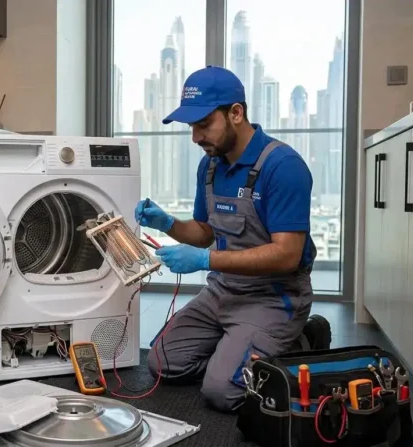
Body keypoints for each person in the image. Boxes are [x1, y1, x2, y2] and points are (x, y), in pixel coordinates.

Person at [135, 65, 331, 412]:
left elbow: (287, 255)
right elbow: (204, 233)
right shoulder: (210, 166)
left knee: (222, 392)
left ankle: (300, 342)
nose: (195, 137)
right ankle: (233, 351)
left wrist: (206, 260)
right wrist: (167, 223)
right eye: (191, 127)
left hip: (273, 299)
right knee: (162, 363)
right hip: (223, 292)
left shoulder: (283, 166)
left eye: (203, 124)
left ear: (236, 113)